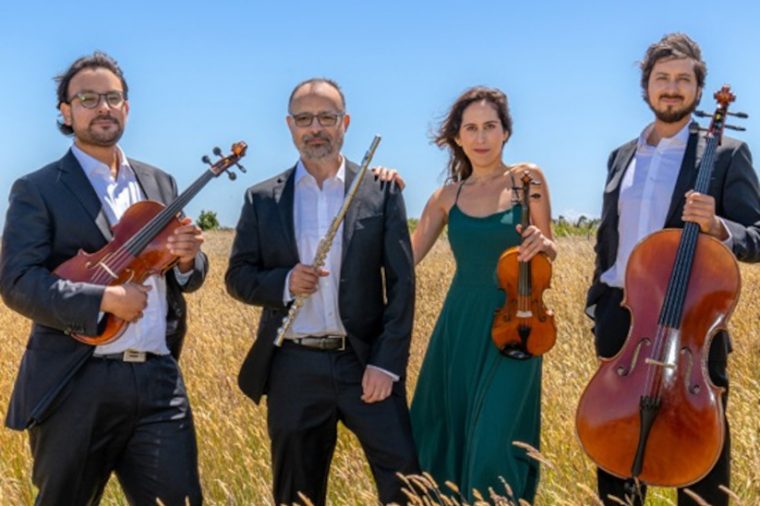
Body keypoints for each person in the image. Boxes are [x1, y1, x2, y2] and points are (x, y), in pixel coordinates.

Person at [0, 52, 207, 506]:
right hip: (77, 381)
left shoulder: (159, 182)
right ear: (66, 112)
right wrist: (104, 299)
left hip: (158, 379)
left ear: (126, 107)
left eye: (112, 97)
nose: (103, 108)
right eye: (88, 99)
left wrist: (189, 260)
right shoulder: (38, 188)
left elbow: (183, 277)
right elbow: (17, 283)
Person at [225, 78, 419, 506]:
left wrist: (386, 365)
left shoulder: (380, 190)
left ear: (344, 123)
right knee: (297, 494)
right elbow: (237, 277)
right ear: (290, 126)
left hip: (364, 362)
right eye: (304, 119)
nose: (316, 128)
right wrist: (284, 283)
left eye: (326, 117)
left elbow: (402, 284)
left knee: (405, 484)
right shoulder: (261, 198)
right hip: (293, 368)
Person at [586, 33, 760, 506]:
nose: (672, 87)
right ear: (646, 86)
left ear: (699, 90)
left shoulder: (726, 154)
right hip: (623, 319)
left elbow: (756, 235)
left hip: (691, 326)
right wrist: (598, 304)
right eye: (662, 77)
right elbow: (608, 235)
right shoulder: (621, 156)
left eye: (684, 79)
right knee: (616, 452)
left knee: (699, 459)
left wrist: (719, 227)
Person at [408, 86, 556, 502]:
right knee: (444, 428)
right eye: (471, 128)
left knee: (497, 438)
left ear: (505, 132)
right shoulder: (446, 197)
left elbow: (551, 247)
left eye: (490, 126)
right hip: (459, 325)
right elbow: (406, 259)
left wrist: (543, 244)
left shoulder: (528, 179)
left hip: (518, 325)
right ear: (457, 137)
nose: (481, 137)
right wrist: (383, 188)